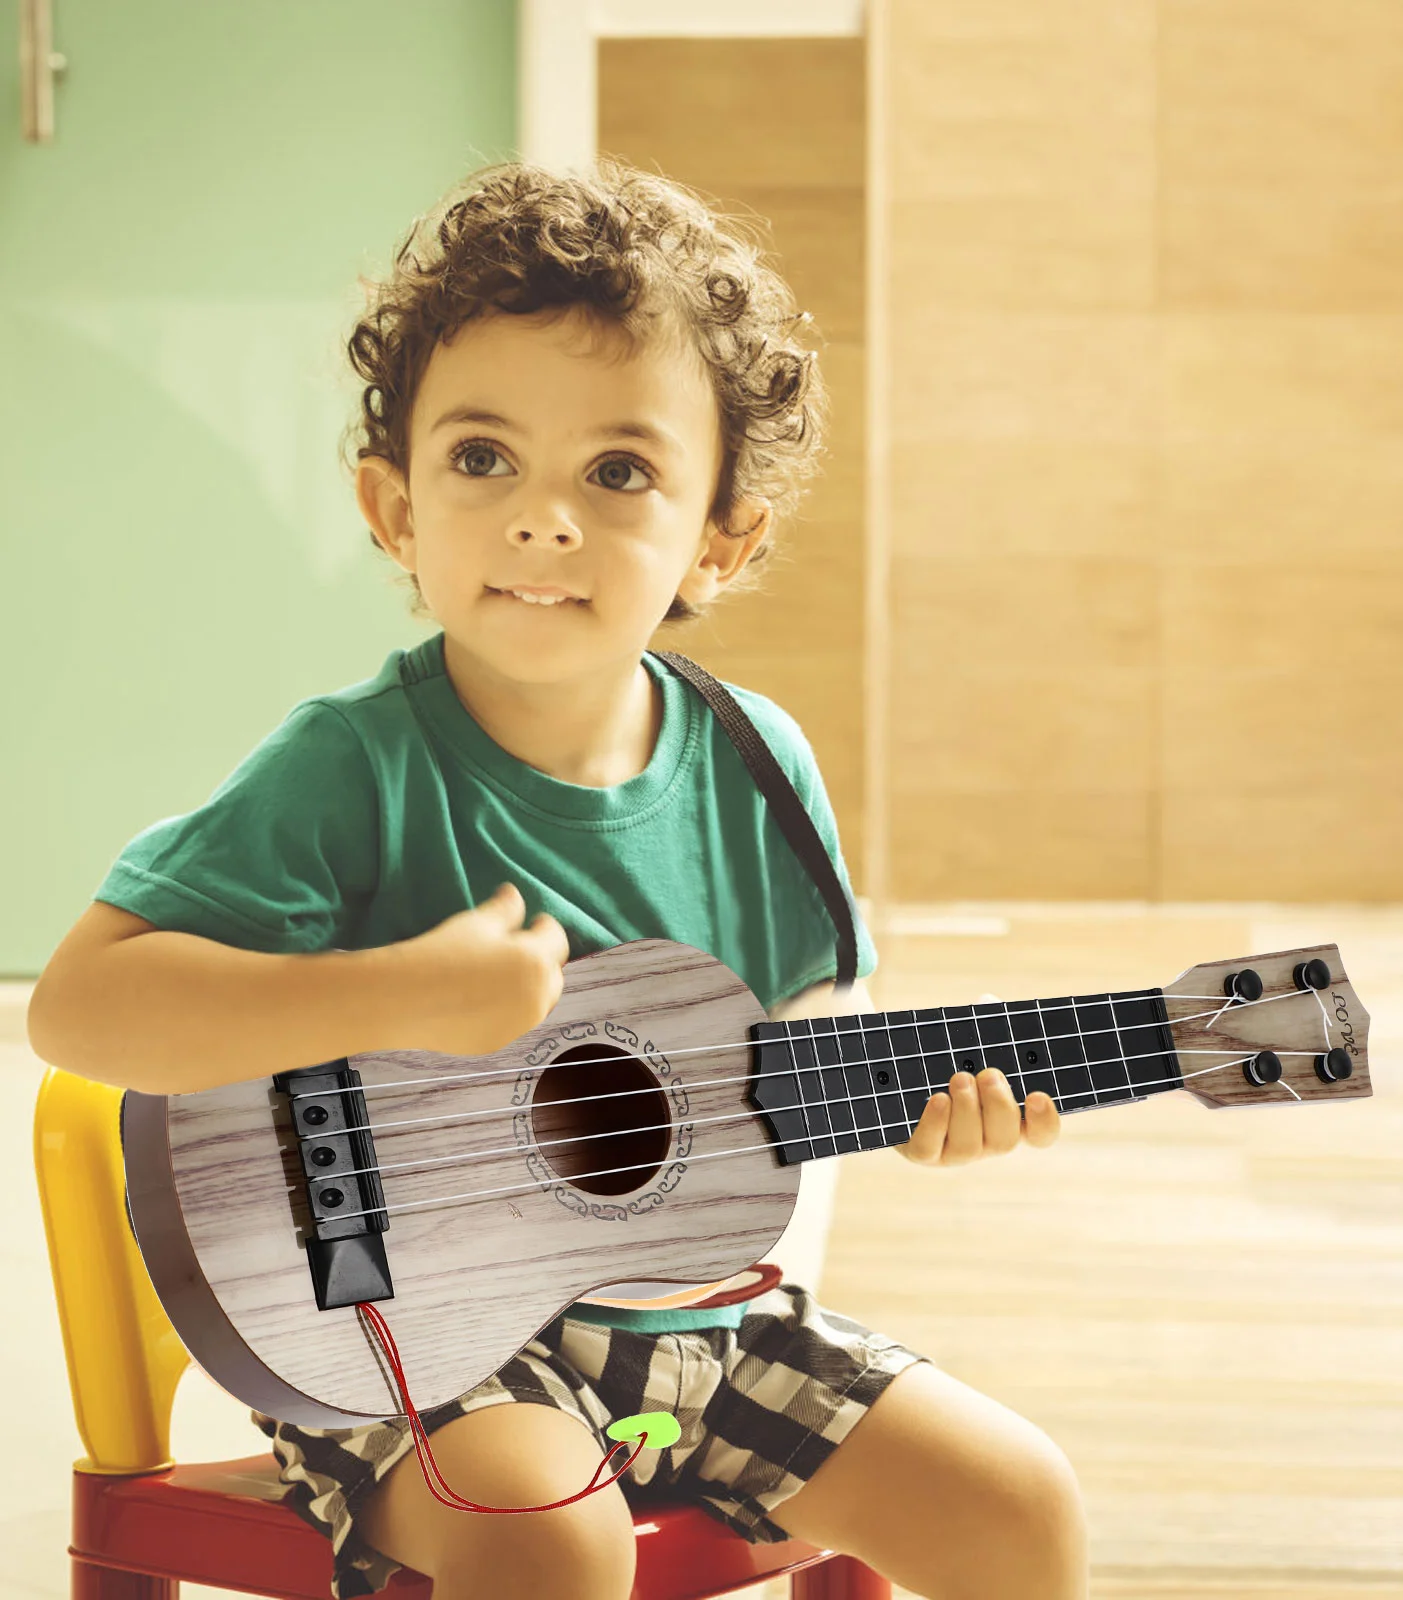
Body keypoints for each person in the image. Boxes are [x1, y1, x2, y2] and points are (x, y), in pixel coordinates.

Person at [27, 157, 1087, 1600]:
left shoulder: (753, 761)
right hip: (404, 1342)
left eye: (619, 471)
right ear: (390, 507)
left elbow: (804, 1035)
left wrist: (920, 1105)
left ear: (724, 534)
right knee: (546, 1536)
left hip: (701, 1324)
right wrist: (398, 993)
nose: (543, 518)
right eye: (481, 460)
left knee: (1019, 1505)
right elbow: (83, 1011)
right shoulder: (350, 769)